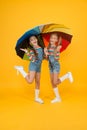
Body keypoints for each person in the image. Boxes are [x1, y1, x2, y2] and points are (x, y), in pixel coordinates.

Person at [44, 33, 73, 103]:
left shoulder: (57, 47)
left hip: (56, 65)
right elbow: (47, 59)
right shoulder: (47, 47)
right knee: (52, 82)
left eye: (54, 38)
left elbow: (56, 58)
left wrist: (57, 50)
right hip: (50, 66)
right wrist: (45, 53)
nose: (52, 39)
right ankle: (58, 98)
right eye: (51, 38)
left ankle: (67, 75)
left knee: (55, 82)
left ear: (57, 40)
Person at [14, 35, 44, 104]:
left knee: (38, 82)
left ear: (37, 39)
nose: (34, 40)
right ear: (30, 43)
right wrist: (27, 52)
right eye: (32, 40)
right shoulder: (31, 50)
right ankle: (21, 70)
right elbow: (32, 60)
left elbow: (43, 58)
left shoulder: (41, 48)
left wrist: (46, 52)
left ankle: (36, 98)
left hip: (39, 67)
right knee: (30, 81)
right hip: (33, 66)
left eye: (34, 38)